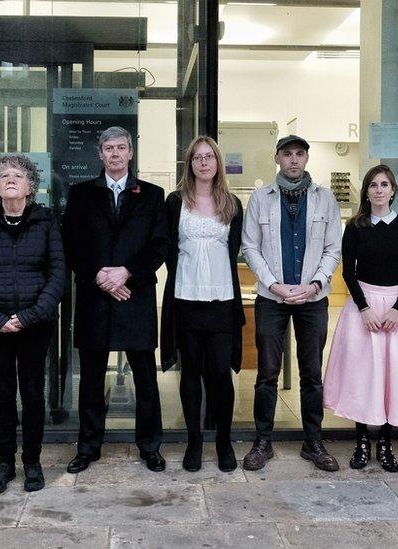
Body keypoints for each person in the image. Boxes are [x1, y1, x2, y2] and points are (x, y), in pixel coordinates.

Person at [62, 126, 168, 474]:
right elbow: (71, 244)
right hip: (95, 297)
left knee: (145, 378)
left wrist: (126, 274)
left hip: (135, 296)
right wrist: (99, 276)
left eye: (121, 148)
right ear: (100, 154)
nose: (115, 154)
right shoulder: (81, 194)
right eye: (109, 148)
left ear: (131, 152)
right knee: (91, 379)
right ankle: (89, 447)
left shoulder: (152, 195)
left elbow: (159, 245)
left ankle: (150, 446)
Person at [0, 154, 64, 493]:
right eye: (3, 175)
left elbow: (57, 276)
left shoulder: (46, 221)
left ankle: (32, 462)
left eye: (17, 175)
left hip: (36, 324)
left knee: (33, 395)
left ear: (30, 186)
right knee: (3, 396)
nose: (9, 179)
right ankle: (5, 463)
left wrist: (29, 316)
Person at [241, 134, 342, 472]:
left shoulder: (325, 198)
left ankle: (313, 442)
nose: (294, 160)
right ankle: (262, 441)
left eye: (300, 154)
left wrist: (315, 284)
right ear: (277, 158)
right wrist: (274, 284)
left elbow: (333, 249)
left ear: (307, 159)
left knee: (312, 372)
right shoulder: (260, 198)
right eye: (288, 154)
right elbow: (250, 246)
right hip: (272, 297)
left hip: (313, 298)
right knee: (267, 372)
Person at [322, 165, 398, 473]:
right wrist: (364, 308)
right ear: (366, 191)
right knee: (363, 377)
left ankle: (385, 442)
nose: (379, 189)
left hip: (396, 310)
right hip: (364, 309)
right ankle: (361, 441)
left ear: (393, 190)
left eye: (384, 184)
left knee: (391, 378)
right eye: (373, 185)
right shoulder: (356, 227)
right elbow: (348, 272)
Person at [161, 136, 245, 473]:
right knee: (190, 374)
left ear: (218, 162)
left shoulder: (232, 203)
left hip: (222, 302)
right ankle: (195, 441)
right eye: (197, 157)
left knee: (220, 375)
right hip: (186, 301)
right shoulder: (174, 202)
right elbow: (169, 249)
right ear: (190, 164)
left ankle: (223, 441)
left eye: (209, 157)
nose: (204, 162)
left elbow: (235, 249)